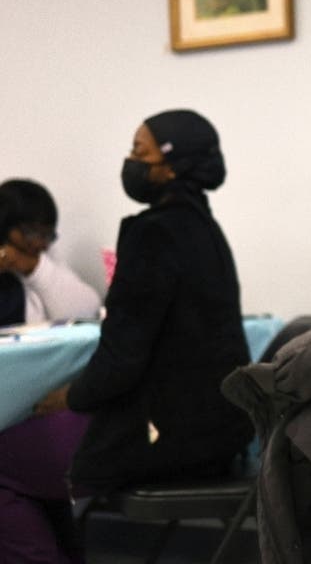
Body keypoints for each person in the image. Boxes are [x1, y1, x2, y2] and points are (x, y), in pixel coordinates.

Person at [1, 109, 254, 564]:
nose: (130, 162)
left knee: (4, 458)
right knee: (34, 465)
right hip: (216, 434)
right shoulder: (206, 231)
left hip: (165, 439)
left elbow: (122, 357)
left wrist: (71, 396)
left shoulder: (153, 233)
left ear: (172, 166)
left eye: (141, 152)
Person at [0, 178, 101, 327]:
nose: (40, 243)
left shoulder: (39, 256)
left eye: (47, 236)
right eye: (31, 233)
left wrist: (34, 268)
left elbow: (88, 311)